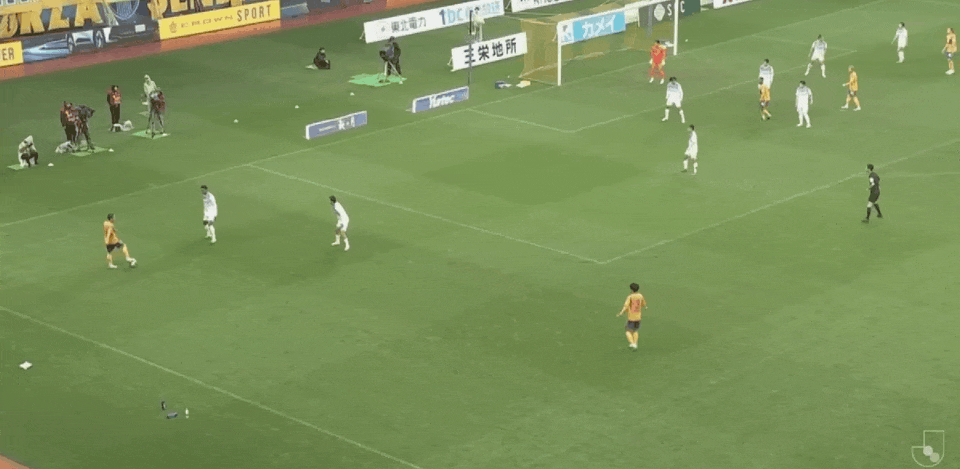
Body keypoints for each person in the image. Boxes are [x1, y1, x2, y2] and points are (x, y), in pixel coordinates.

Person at [616, 283, 646, 350]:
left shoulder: (630, 297)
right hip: (638, 317)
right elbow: (643, 304)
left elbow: (625, 306)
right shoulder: (640, 296)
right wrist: (645, 307)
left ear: (631, 289)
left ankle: (632, 343)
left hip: (631, 317)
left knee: (628, 331)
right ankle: (635, 344)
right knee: (635, 331)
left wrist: (620, 313)